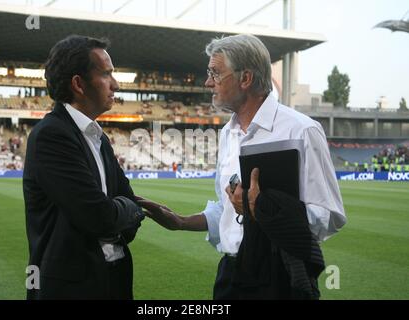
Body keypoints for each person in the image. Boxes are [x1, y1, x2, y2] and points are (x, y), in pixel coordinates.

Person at [138, 34, 346, 300]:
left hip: (282, 276)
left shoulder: (301, 130)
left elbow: (329, 215)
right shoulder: (228, 133)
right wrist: (181, 222)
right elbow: (228, 211)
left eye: (215, 73)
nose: (208, 82)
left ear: (245, 78)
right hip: (231, 274)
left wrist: (262, 210)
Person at [23, 35, 144, 300]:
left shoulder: (98, 137)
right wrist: (131, 209)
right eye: (107, 74)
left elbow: (124, 209)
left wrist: (124, 210)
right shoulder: (51, 135)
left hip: (114, 278)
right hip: (74, 287)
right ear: (78, 83)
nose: (116, 84)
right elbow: (99, 216)